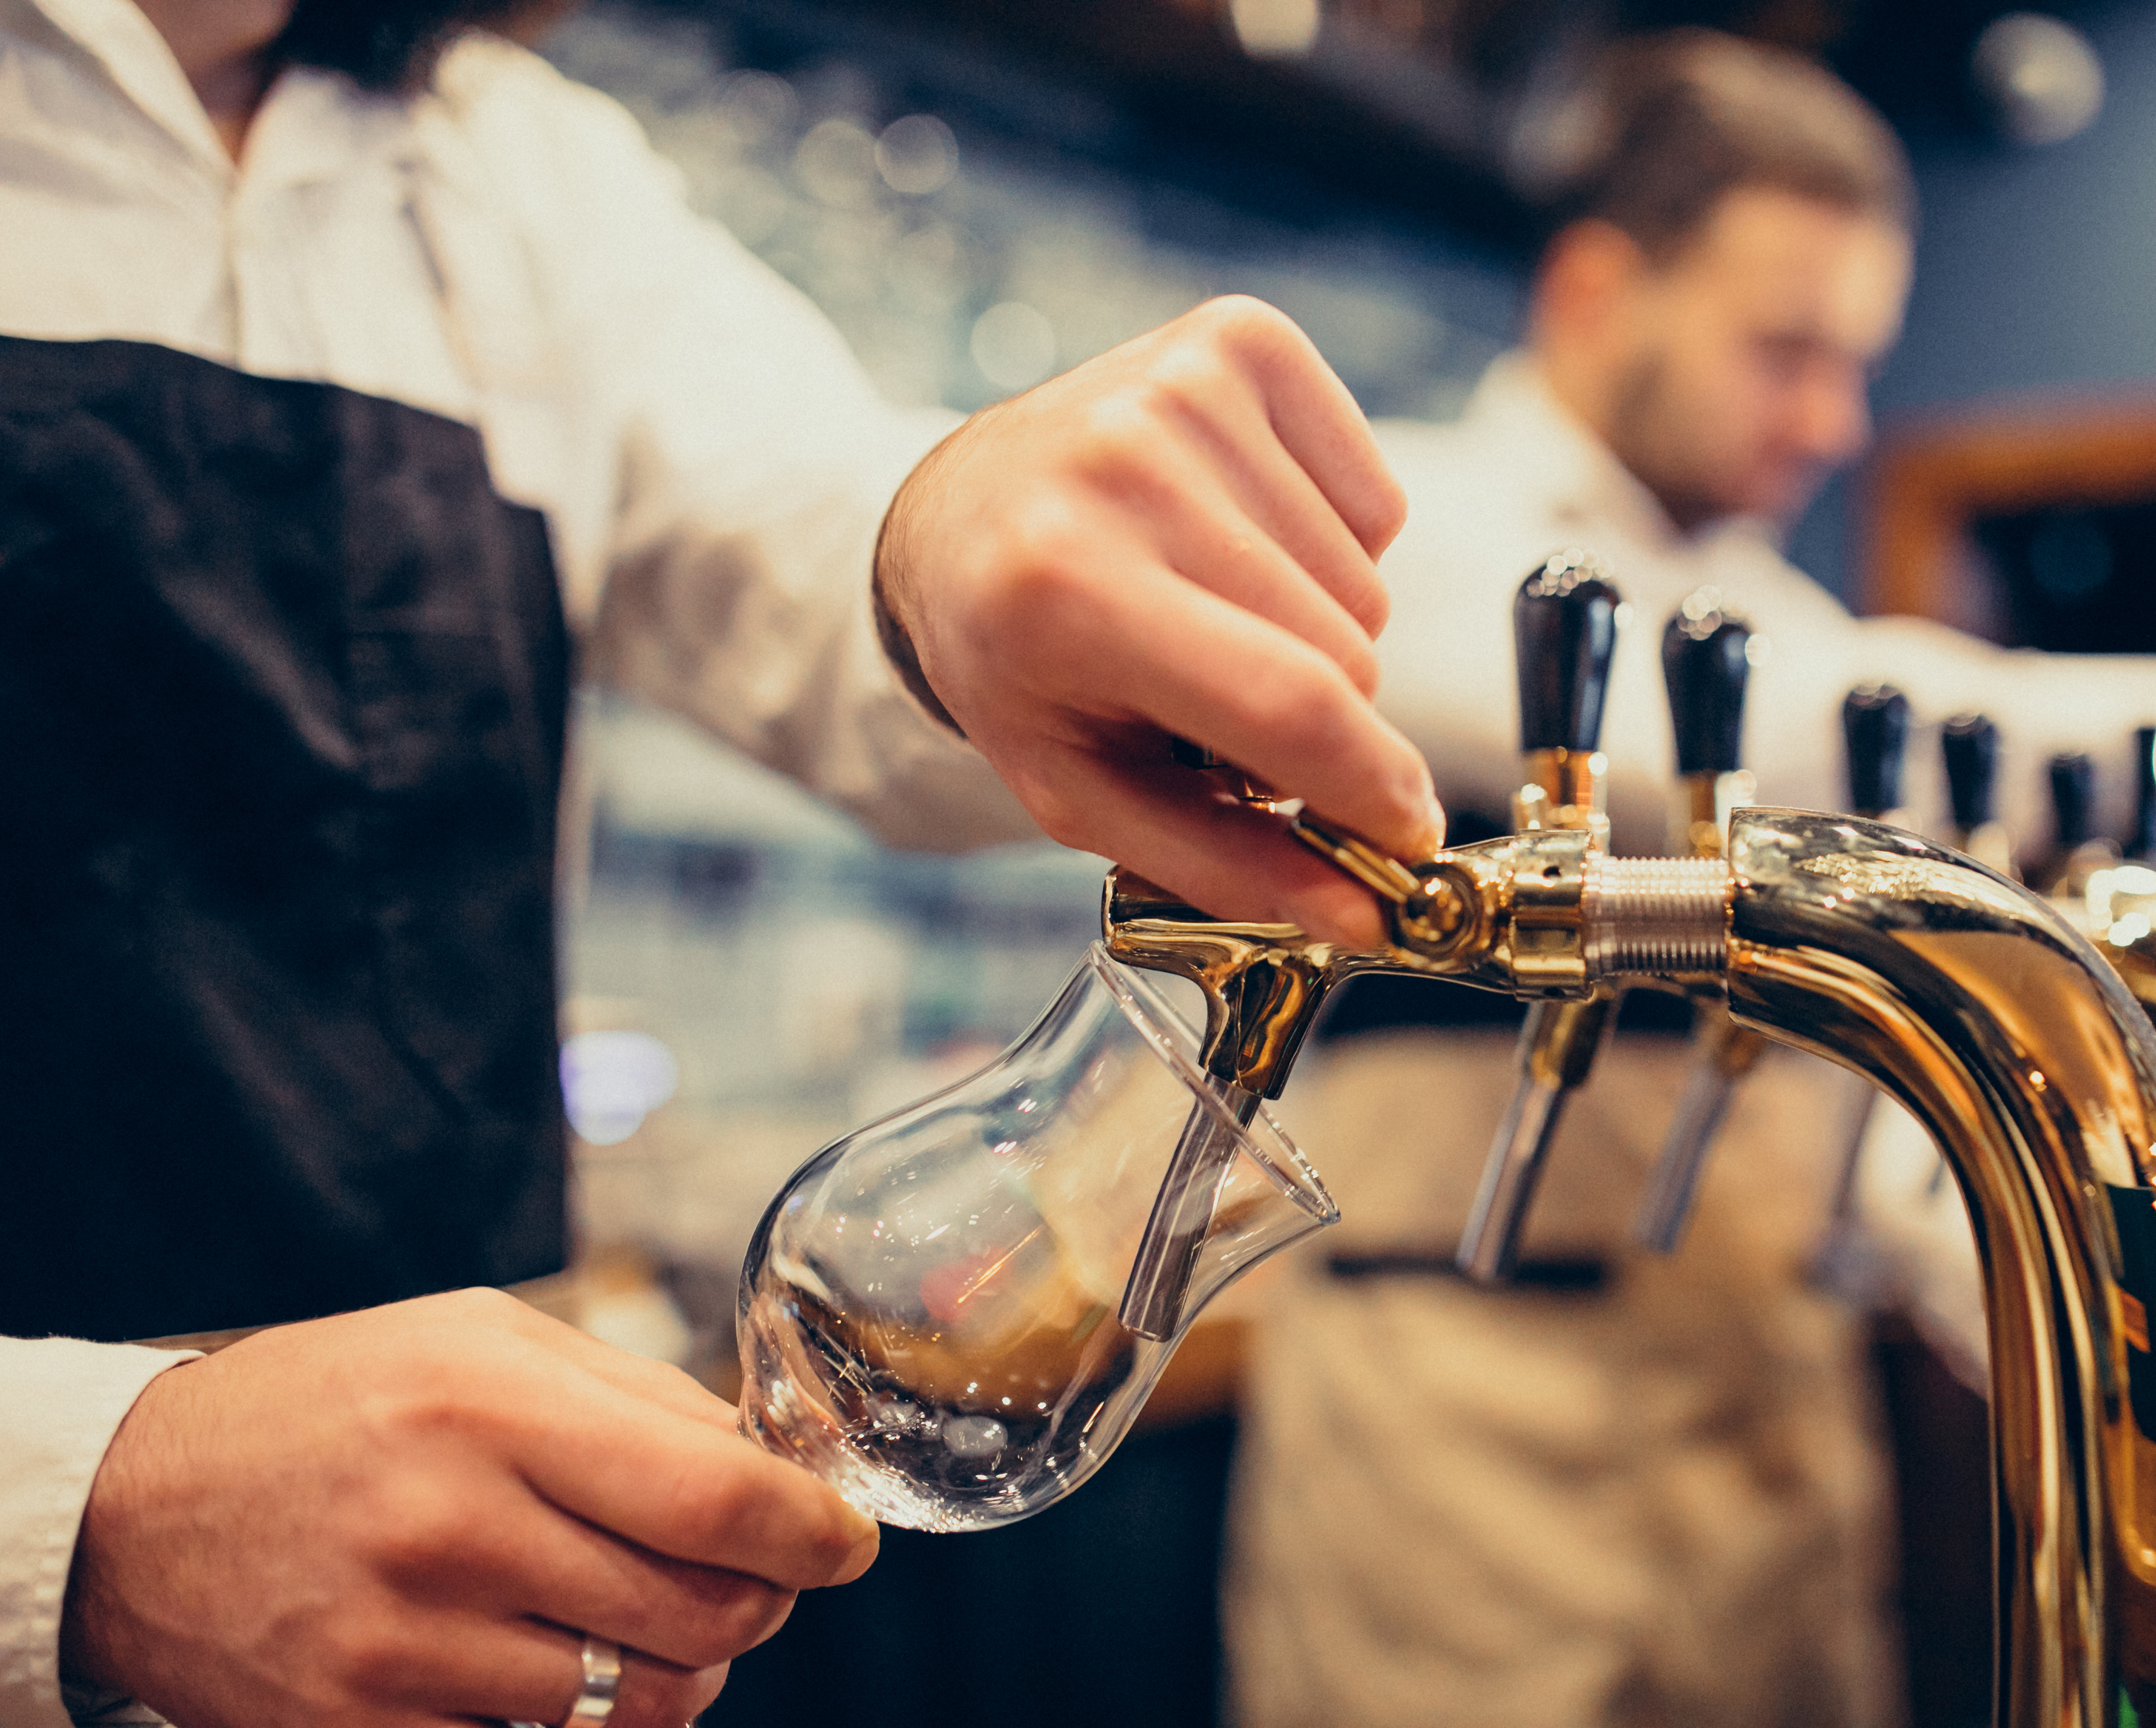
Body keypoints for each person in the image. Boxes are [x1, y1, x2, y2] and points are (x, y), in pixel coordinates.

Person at [0, 0, 1438, 1723]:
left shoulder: (509, 163)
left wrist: (956, 531)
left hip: (487, 1631)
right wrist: (88, 1506)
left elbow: (822, 532)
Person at [1222, 30, 2156, 1728]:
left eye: (1854, 361)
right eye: (1786, 350)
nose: (1834, 417)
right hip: (1460, 1474)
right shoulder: (1402, 531)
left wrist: (2146, 1331)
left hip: (1775, 1459)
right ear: (1599, 292)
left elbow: (1880, 1106)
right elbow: (1745, 722)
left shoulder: (1781, 619)